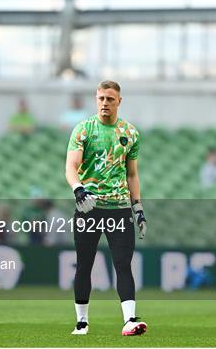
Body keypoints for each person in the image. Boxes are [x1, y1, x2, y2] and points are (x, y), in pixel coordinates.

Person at [65, 80, 147, 337]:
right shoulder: (84, 130)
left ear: (119, 101)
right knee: (84, 264)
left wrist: (139, 208)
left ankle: (130, 320)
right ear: (96, 99)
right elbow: (71, 166)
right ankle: (81, 322)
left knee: (123, 264)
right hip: (88, 208)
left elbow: (132, 174)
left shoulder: (130, 133)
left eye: (110, 99)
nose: (104, 103)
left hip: (120, 208)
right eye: (101, 98)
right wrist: (78, 189)